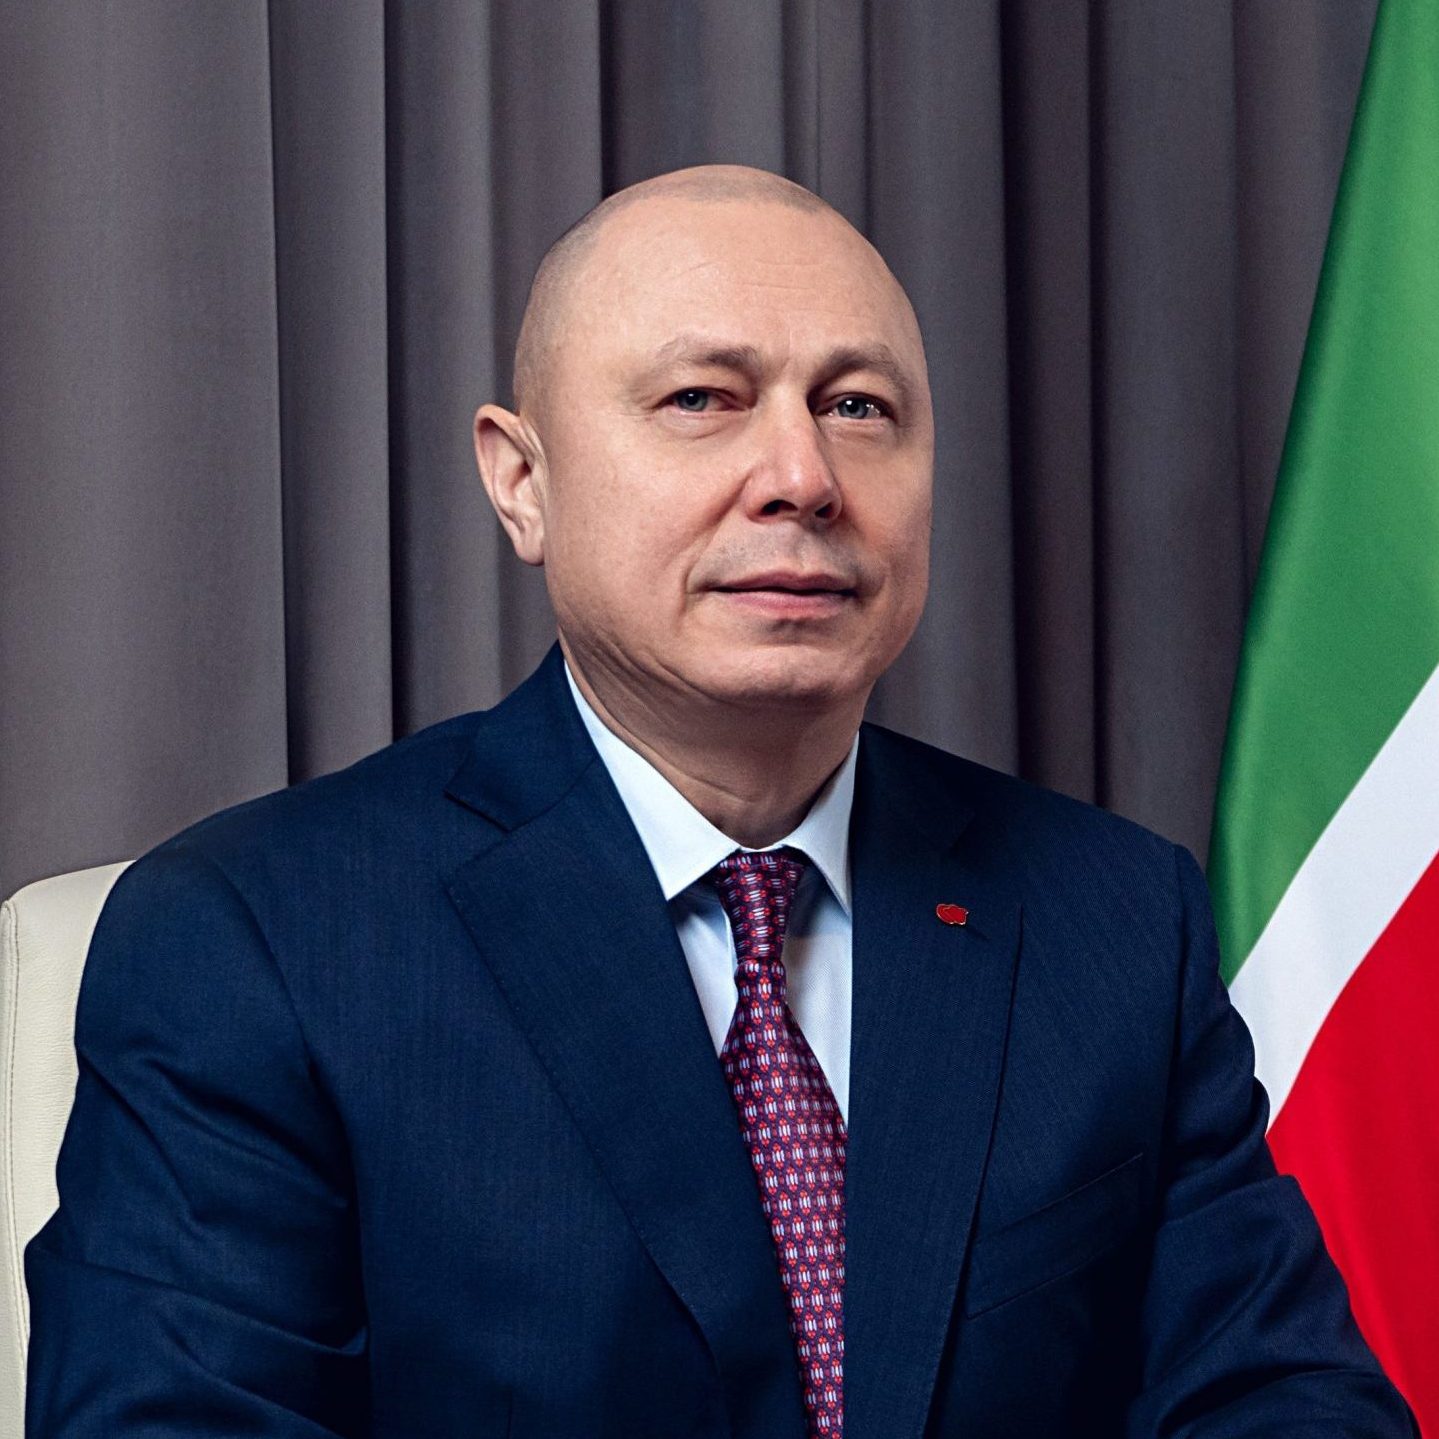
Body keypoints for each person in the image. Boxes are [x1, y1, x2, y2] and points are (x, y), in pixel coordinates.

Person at [24, 164, 1415, 1437]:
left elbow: (1285, 1404)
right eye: (703, 400)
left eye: (858, 408)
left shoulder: (1111, 916)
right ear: (522, 482)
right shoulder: (254, 939)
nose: (803, 479)